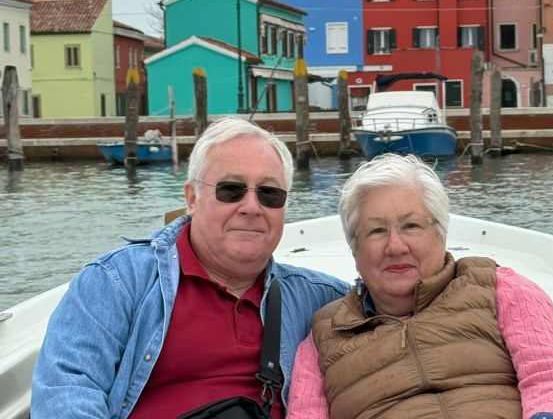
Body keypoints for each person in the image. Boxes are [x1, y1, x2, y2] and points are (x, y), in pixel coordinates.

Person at [32, 116, 349, 418]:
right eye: (231, 190)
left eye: (269, 194)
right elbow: (65, 394)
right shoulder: (116, 283)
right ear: (192, 198)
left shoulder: (323, 301)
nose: (251, 207)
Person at [287, 153, 553, 419]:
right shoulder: (324, 337)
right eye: (377, 231)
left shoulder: (500, 289)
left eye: (411, 226)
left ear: (441, 233)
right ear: (355, 249)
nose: (396, 246)